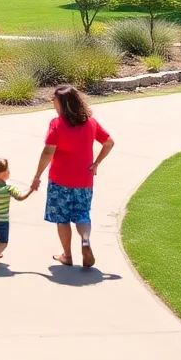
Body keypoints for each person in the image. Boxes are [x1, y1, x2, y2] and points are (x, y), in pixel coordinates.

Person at [30, 85, 114, 268]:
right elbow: (109, 142)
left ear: (62, 104)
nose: (53, 103)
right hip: (84, 180)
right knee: (82, 214)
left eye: (54, 100)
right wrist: (96, 163)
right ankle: (85, 240)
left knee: (62, 219)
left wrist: (37, 176)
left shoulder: (57, 124)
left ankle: (67, 256)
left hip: (60, 180)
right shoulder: (90, 122)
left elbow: (47, 153)